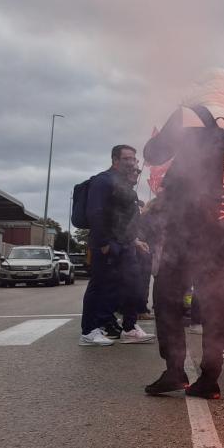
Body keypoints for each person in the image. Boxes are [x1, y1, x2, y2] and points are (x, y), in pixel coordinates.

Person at [142, 68, 224, 400]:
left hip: (186, 224)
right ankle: (210, 378)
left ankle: (174, 370)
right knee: (217, 301)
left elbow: (154, 154)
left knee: (168, 294)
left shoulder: (189, 115)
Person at [80, 144, 144, 346]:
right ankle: (89, 331)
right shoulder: (103, 181)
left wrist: (134, 240)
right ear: (115, 160)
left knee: (131, 284)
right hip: (107, 244)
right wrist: (103, 243)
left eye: (133, 159)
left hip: (125, 244)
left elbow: (125, 218)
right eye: (126, 159)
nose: (131, 162)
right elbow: (95, 213)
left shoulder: (125, 185)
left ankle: (129, 328)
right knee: (100, 286)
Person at [116, 164, 154, 343]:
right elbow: (118, 223)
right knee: (128, 286)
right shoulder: (121, 194)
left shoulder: (130, 194)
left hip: (131, 246)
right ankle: (128, 326)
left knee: (133, 285)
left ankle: (126, 323)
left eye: (138, 172)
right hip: (123, 247)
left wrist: (135, 241)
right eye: (134, 172)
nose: (137, 175)